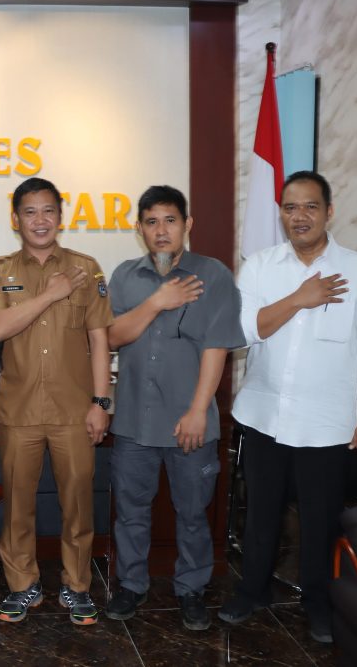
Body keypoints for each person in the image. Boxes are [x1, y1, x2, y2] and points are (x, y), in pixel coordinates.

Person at [218, 171, 357, 644]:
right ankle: (252, 590)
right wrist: (300, 298)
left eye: (310, 206)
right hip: (264, 415)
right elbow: (244, 331)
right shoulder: (260, 266)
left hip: (326, 421)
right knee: (261, 513)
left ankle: (318, 602)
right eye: (290, 207)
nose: (300, 216)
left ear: (329, 212)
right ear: (280, 213)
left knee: (320, 519)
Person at [104, 185, 245, 630]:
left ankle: (191, 590)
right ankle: (131, 585)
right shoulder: (125, 276)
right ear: (139, 229)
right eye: (151, 222)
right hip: (134, 420)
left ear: (187, 225)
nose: (161, 230)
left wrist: (199, 410)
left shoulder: (213, 275)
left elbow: (217, 346)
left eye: (170, 220)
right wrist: (156, 302)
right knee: (130, 512)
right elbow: (111, 337)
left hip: (190, 420)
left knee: (193, 513)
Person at [0, 177, 113, 626]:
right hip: (18, 411)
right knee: (17, 505)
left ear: (61, 215)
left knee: (78, 504)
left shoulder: (86, 268)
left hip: (74, 411)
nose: (40, 220)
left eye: (48, 211)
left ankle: (77, 586)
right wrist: (51, 294)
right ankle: (23, 585)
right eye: (30, 212)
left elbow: (100, 340)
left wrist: (101, 402)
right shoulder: (0, 271)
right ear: (15, 219)